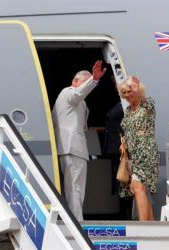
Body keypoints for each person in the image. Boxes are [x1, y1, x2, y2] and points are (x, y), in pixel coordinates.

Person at [52, 60, 107, 221]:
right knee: (75, 188)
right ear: (74, 82)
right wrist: (94, 80)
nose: (85, 89)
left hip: (71, 149)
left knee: (74, 188)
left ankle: (75, 219)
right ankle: (77, 223)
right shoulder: (68, 93)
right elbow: (78, 93)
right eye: (84, 84)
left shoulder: (77, 100)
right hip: (72, 148)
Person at [117, 76, 160, 221]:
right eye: (124, 93)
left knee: (137, 186)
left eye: (130, 91)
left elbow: (146, 101)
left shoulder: (147, 105)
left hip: (146, 153)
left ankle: (144, 226)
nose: (128, 95)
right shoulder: (128, 111)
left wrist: (138, 90)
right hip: (133, 155)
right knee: (140, 189)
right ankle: (151, 224)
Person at [103, 77, 133, 220]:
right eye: (114, 84)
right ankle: (123, 213)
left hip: (122, 150)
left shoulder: (126, 103)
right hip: (114, 149)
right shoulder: (118, 102)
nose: (116, 86)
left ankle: (126, 215)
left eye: (118, 84)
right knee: (120, 182)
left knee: (124, 181)